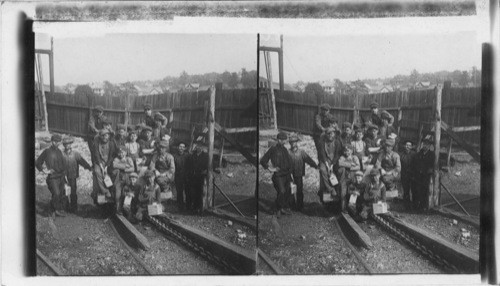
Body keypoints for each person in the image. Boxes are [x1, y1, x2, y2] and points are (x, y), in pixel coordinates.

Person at [260, 132, 293, 216]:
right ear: (279, 140)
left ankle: (282, 208)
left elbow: (289, 162)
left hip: (287, 174)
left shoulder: (285, 149)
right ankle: (277, 208)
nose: (285, 142)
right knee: (281, 191)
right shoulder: (273, 149)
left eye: (285, 140)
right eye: (283, 140)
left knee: (289, 191)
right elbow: (263, 161)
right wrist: (270, 168)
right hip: (278, 176)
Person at [35, 134, 68, 217]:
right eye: (55, 141)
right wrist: (44, 170)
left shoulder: (60, 152)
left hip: (61, 176)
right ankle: (50, 210)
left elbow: (63, 164)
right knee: (56, 193)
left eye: (58, 142)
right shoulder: (47, 151)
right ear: (52, 141)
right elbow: (38, 162)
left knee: (60, 194)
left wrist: (65, 176)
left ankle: (55, 210)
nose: (56, 143)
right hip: (52, 178)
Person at [288, 135, 318, 212]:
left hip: (299, 173)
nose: (293, 144)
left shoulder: (301, 152)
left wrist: (315, 165)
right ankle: (292, 205)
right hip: (290, 174)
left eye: (294, 142)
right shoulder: (288, 153)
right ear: (289, 143)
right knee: (292, 190)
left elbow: (308, 159)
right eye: (291, 142)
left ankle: (300, 206)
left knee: (299, 190)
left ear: (296, 143)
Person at [62, 137, 92, 213]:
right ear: (63, 145)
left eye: (68, 144)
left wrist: (88, 167)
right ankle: (66, 206)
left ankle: (74, 207)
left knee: (73, 192)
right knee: (64, 191)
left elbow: (82, 161)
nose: (67, 146)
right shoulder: (61, 154)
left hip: (73, 175)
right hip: (63, 176)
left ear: (70, 145)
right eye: (65, 144)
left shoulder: (75, 154)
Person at [91, 128, 117, 204]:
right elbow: (96, 155)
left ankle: (111, 195)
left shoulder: (111, 143)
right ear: (101, 137)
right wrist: (101, 166)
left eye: (107, 135)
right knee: (97, 171)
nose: (105, 137)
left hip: (108, 162)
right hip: (99, 162)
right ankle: (104, 191)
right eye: (103, 136)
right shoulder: (97, 143)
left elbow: (112, 156)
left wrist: (106, 166)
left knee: (109, 175)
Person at [317, 127, 342, 205]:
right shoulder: (322, 142)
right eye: (329, 134)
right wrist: (327, 164)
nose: (331, 135)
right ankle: (329, 189)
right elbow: (322, 154)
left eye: (332, 133)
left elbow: (337, 154)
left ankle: (336, 201)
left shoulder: (337, 142)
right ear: (326, 135)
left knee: (336, 174)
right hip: (325, 161)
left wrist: (332, 165)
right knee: (323, 170)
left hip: (334, 161)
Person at [412, 138, 435, 211]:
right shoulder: (418, 154)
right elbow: (415, 164)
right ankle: (417, 206)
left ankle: (424, 206)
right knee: (417, 190)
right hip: (418, 175)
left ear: (429, 146)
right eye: (424, 144)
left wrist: (430, 170)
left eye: (427, 144)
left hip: (426, 176)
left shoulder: (432, 154)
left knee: (425, 191)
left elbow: (434, 165)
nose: (425, 146)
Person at [187, 142, 209, 213]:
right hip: (193, 176)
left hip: (200, 177)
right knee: (192, 192)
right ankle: (192, 207)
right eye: (197, 146)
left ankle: (199, 208)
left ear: (202, 148)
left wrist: (205, 171)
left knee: (200, 192)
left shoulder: (205, 156)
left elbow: (208, 166)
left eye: (200, 146)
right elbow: (189, 165)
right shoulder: (192, 155)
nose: (198, 148)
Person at [112, 146, 135, 214]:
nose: (121, 154)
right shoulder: (116, 159)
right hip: (119, 179)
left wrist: (124, 169)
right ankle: (118, 208)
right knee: (117, 195)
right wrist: (125, 166)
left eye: (122, 152)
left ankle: (127, 209)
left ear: (125, 152)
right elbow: (114, 165)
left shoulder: (129, 159)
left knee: (128, 192)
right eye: (119, 153)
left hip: (128, 179)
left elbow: (132, 168)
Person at [337, 145, 361, 211]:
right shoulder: (342, 157)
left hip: (353, 178)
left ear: (351, 151)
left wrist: (349, 168)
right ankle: (343, 209)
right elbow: (339, 163)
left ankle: (352, 208)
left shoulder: (354, 157)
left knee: (353, 192)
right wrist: (350, 164)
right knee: (343, 194)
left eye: (348, 151)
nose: (346, 152)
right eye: (345, 151)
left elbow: (358, 166)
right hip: (344, 179)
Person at [399, 140, 416, 208]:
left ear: (411, 147)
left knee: (414, 190)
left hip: (413, 175)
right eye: (406, 145)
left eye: (409, 145)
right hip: (404, 175)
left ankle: (415, 206)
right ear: (404, 146)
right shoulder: (401, 155)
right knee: (406, 191)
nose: (407, 147)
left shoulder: (414, 154)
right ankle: (407, 206)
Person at [173, 142, 190, 210]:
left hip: (186, 177)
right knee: (179, 192)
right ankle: (180, 206)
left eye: (183, 147)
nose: (181, 148)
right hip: (178, 176)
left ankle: (188, 206)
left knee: (187, 191)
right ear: (178, 147)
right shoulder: (174, 156)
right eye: (180, 146)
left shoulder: (188, 156)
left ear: (185, 148)